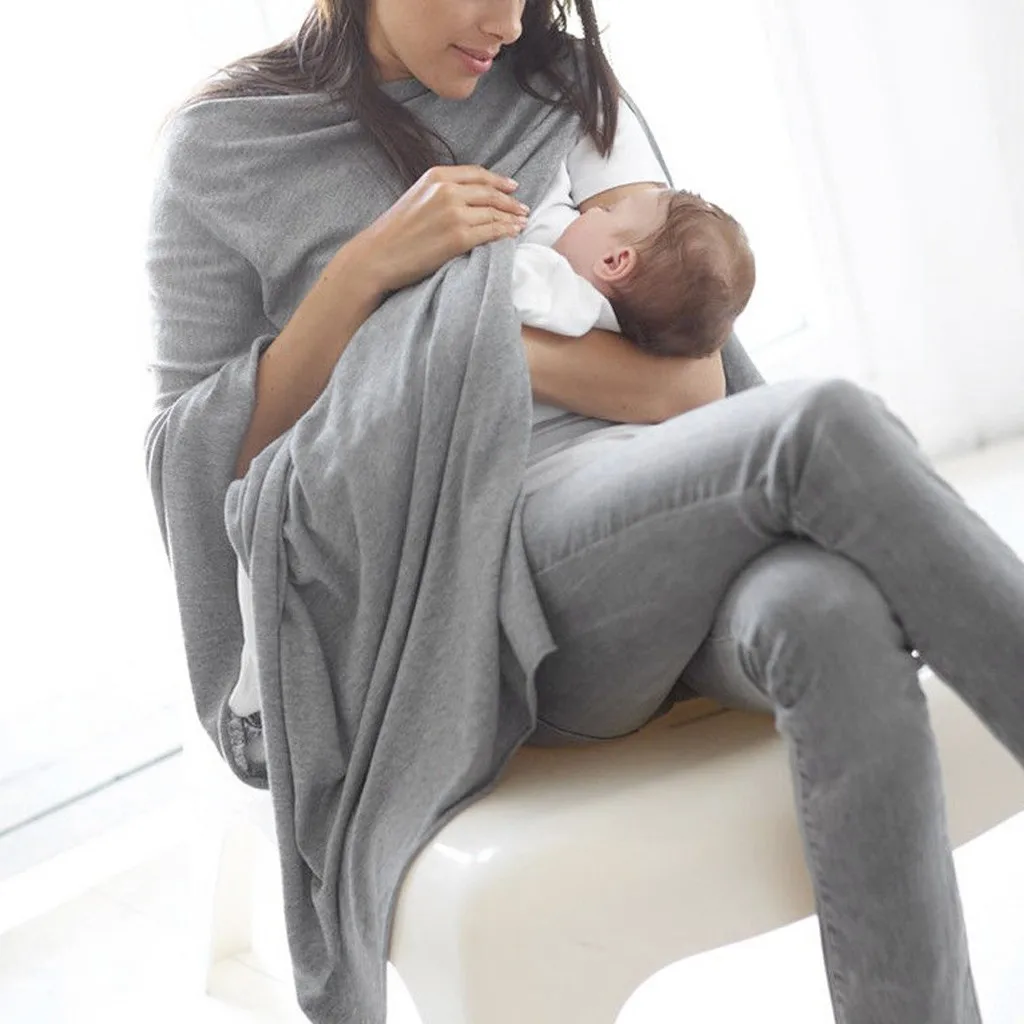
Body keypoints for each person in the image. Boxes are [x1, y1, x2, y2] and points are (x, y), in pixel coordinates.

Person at [145, 2, 1024, 1023]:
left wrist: (461, 343)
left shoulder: (560, 90)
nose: (507, 22)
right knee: (819, 422)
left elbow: (689, 386)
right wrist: (363, 273)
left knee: (821, 607)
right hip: (469, 588)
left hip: (661, 509)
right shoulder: (223, 150)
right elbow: (202, 459)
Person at [511, 177, 755, 360]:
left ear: (613, 262)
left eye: (609, 211)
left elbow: (490, 283)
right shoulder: (603, 330)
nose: (593, 208)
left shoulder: (554, 289)